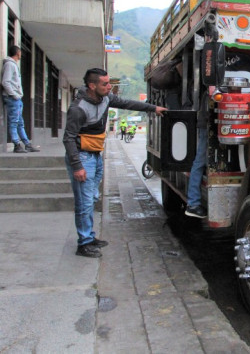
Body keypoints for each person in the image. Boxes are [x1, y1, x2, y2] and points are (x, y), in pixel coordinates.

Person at [63, 68, 167, 258]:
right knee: (84, 202)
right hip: (82, 156)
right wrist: (77, 166)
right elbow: (68, 138)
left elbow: (128, 103)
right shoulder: (78, 109)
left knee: (93, 198)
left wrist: (153, 108)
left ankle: (90, 237)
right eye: (105, 84)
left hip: (95, 155)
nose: (109, 86)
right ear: (92, 86)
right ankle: (84, 243)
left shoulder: (106, 98)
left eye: (109, 82)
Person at [2, 45, 40, 153]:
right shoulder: (10, 65)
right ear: (17, 53)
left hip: (16, 99)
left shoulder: (13, 65)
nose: (21, 55)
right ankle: (16, 144)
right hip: (13, 99)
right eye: (20, 52)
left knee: (19, 123)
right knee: (14, 122)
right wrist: (14, 95)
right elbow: (5, 82)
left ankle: (27, 144)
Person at [184, 89, 209, 219]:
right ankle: (193, 203)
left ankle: (193, 202)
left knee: (199, 163)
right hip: (206, 127)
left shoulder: (211, 88)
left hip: (205, 126)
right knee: (199, 162)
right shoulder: (211, 90)